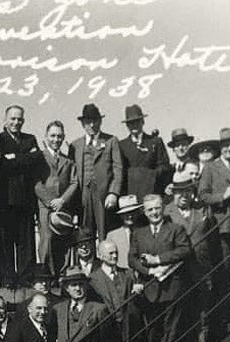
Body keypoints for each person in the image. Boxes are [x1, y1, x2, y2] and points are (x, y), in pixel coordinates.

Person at [129, 193, 193, 342]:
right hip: (150, 290)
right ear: (144, 212)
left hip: (172, 288)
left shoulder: (175, 229)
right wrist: (147, 270)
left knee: (170, 332)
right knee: (152, 334)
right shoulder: (138, 233)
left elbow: (185, 251)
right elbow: (131, 258)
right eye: (150, 210)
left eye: (157, 208)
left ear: (162, 208)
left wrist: (158, 260)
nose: (154, 213)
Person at [166, 171, 219, 342]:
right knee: (180, 317)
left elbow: (212, 239)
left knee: (202, 313)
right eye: (179, 192)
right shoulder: (167, 212)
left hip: (201, 269)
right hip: (178, 272)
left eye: (187, 191)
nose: (183, 195)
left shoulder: (202, 209)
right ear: (173, 193)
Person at [198, 127, 230, 324]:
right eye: (225, 145)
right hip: (223, 226)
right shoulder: (211, 167)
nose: (229, 149)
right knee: (224, 273)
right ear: (221, 147)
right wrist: (222, 196)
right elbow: (202, 195)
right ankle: (225, 317)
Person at [0, 105, 43, 287]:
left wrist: (14, 158)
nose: (16, 122)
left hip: (26, 199)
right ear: (5, 120)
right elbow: (1, 166)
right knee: (4, 242)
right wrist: (25, 158)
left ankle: (25, 279)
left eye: (19, 119)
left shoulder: (30, 139)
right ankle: (7, 279)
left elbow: (37, 160)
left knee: (26, 243)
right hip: (5, 200)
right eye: (13, 119)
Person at [70, 103, 123, 240]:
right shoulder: (75, 145)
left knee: (105, 232)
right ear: (82, 124)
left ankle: (106, 260)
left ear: (100, 121)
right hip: (83, 196)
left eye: (94, 121)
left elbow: (118, 169)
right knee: (85, 235)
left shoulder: (111, 141)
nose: (91, 125)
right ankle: (89, 262)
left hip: (103, 195)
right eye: (88, 122)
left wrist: (113, 193)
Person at [34, 120, 78, 277]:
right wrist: (49, 202)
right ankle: (47, 276)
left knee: (63, 241)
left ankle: (62, 275)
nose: (56, 140)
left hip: (63, 207)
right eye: (52, 136)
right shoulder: (40, 157)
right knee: (47, 240)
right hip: (46, 207)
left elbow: (74, 182)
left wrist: (62, 200)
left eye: (59, 136)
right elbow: (36, 183)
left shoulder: (68, 161)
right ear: (46, 137)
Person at [119, 104, 171, 200]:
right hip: (131, 194)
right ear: (126, 125)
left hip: (153, 192)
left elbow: (165, 166)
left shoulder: (155, 141)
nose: (134, 125)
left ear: (143, 121)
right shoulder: (121, 145)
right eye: (130, 123)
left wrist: (150, 175)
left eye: (137, 121)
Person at [105, 194, 143, 269]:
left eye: (133, 212)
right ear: (121, 216)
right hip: (122, 275)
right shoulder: (112, 235)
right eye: (126, 213)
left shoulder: (145, 232)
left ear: (138, 213)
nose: (130, 216)